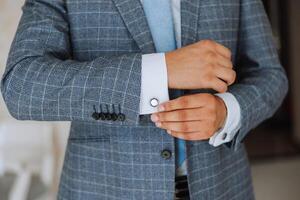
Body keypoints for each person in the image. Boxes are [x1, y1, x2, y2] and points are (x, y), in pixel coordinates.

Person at [1, 0, 288, 199]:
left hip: (223, 187)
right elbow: (23, 85)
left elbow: (271, 76)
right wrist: (160, 70)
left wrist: (228, 111)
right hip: (105, 190)